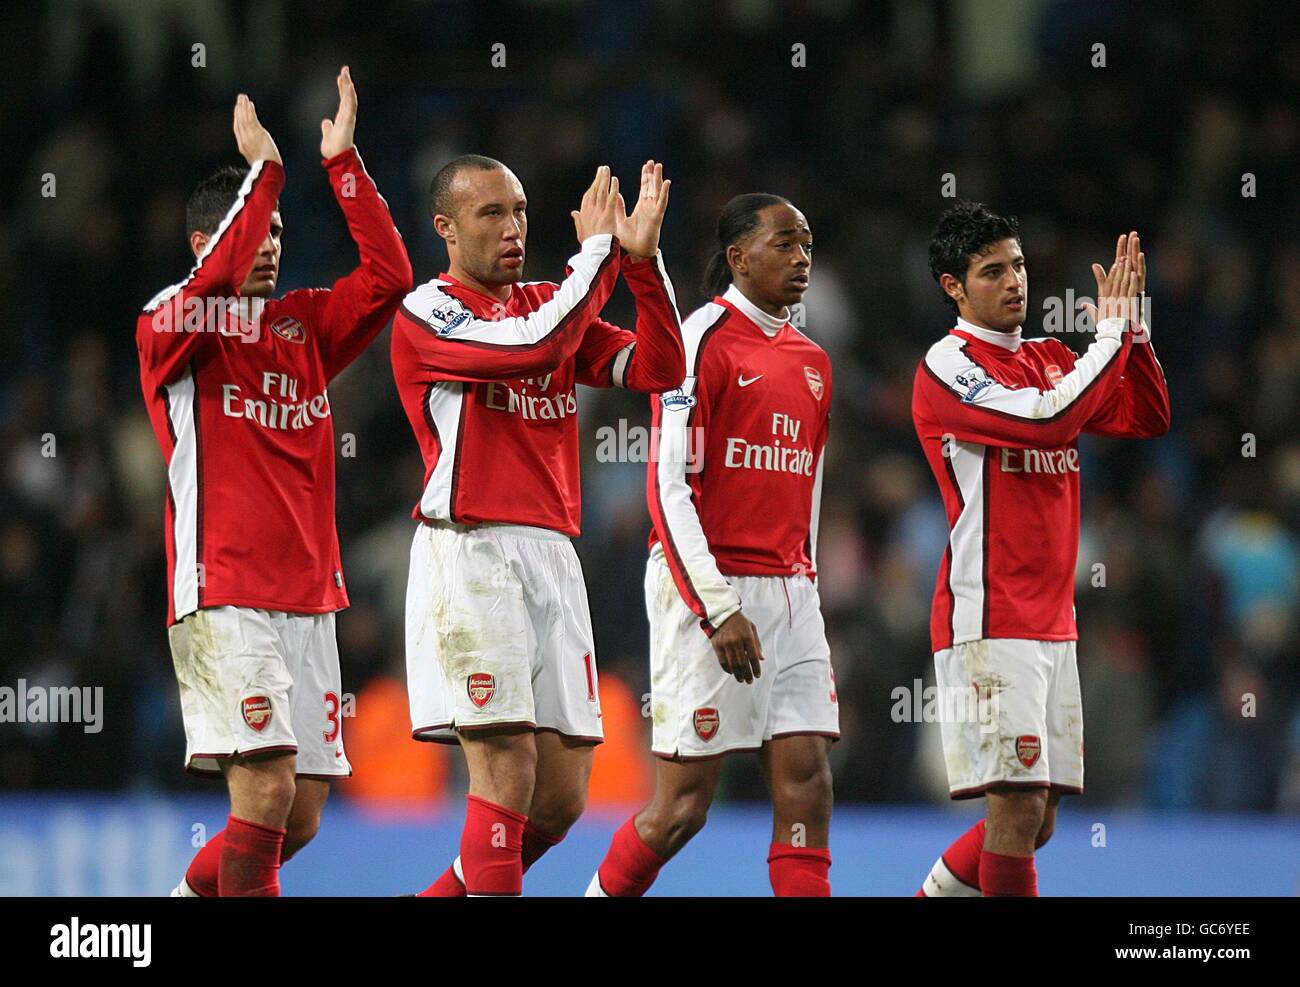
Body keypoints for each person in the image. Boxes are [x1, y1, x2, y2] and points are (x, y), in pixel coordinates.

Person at [136, 68, 412, 896]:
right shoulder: (171, 326)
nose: (271, 242)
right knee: (266, 788)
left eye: (279, 229)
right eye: (253, 229)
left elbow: (392, 278)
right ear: (204, 244)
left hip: (309, 597)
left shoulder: (302, 328)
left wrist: (343, 166)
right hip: (223, 590)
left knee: (301, 815)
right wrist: (267, 172)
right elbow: (214, 284)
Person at [390, 157, 685, 896]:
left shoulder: (553, 303)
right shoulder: (431, 311)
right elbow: (532, 347)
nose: (514, 226)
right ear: (445, 229)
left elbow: (661, 367)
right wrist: (599, 256)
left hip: (553, 554)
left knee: (561, 796)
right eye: (490, 213)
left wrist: (642, 265)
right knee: (508, 774)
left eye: (520, 209)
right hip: (472, 551)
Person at [910, 202, 1169, 896]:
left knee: (1039, 816)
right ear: (953, 287)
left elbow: (1145, 415)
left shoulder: (1051, 358)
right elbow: (1047, 423)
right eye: (991, 271)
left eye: (1018, 264)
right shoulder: (948, 366)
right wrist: (1107, 338)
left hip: (1054, 621)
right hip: (990, 618)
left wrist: (1132, 334)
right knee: (1018, 808)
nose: (1014, 281)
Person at [586, 193, 838, 897]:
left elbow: (807, 485)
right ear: (738, 257)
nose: (801, 259)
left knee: (809, 786)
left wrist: (804, 586)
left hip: (790, 592)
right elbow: (668, 485)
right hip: (708, 584)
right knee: (683, 807)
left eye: (808, 245)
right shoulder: (701, 339)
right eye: (785, 244)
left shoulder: (815, 361)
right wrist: (717, 606)